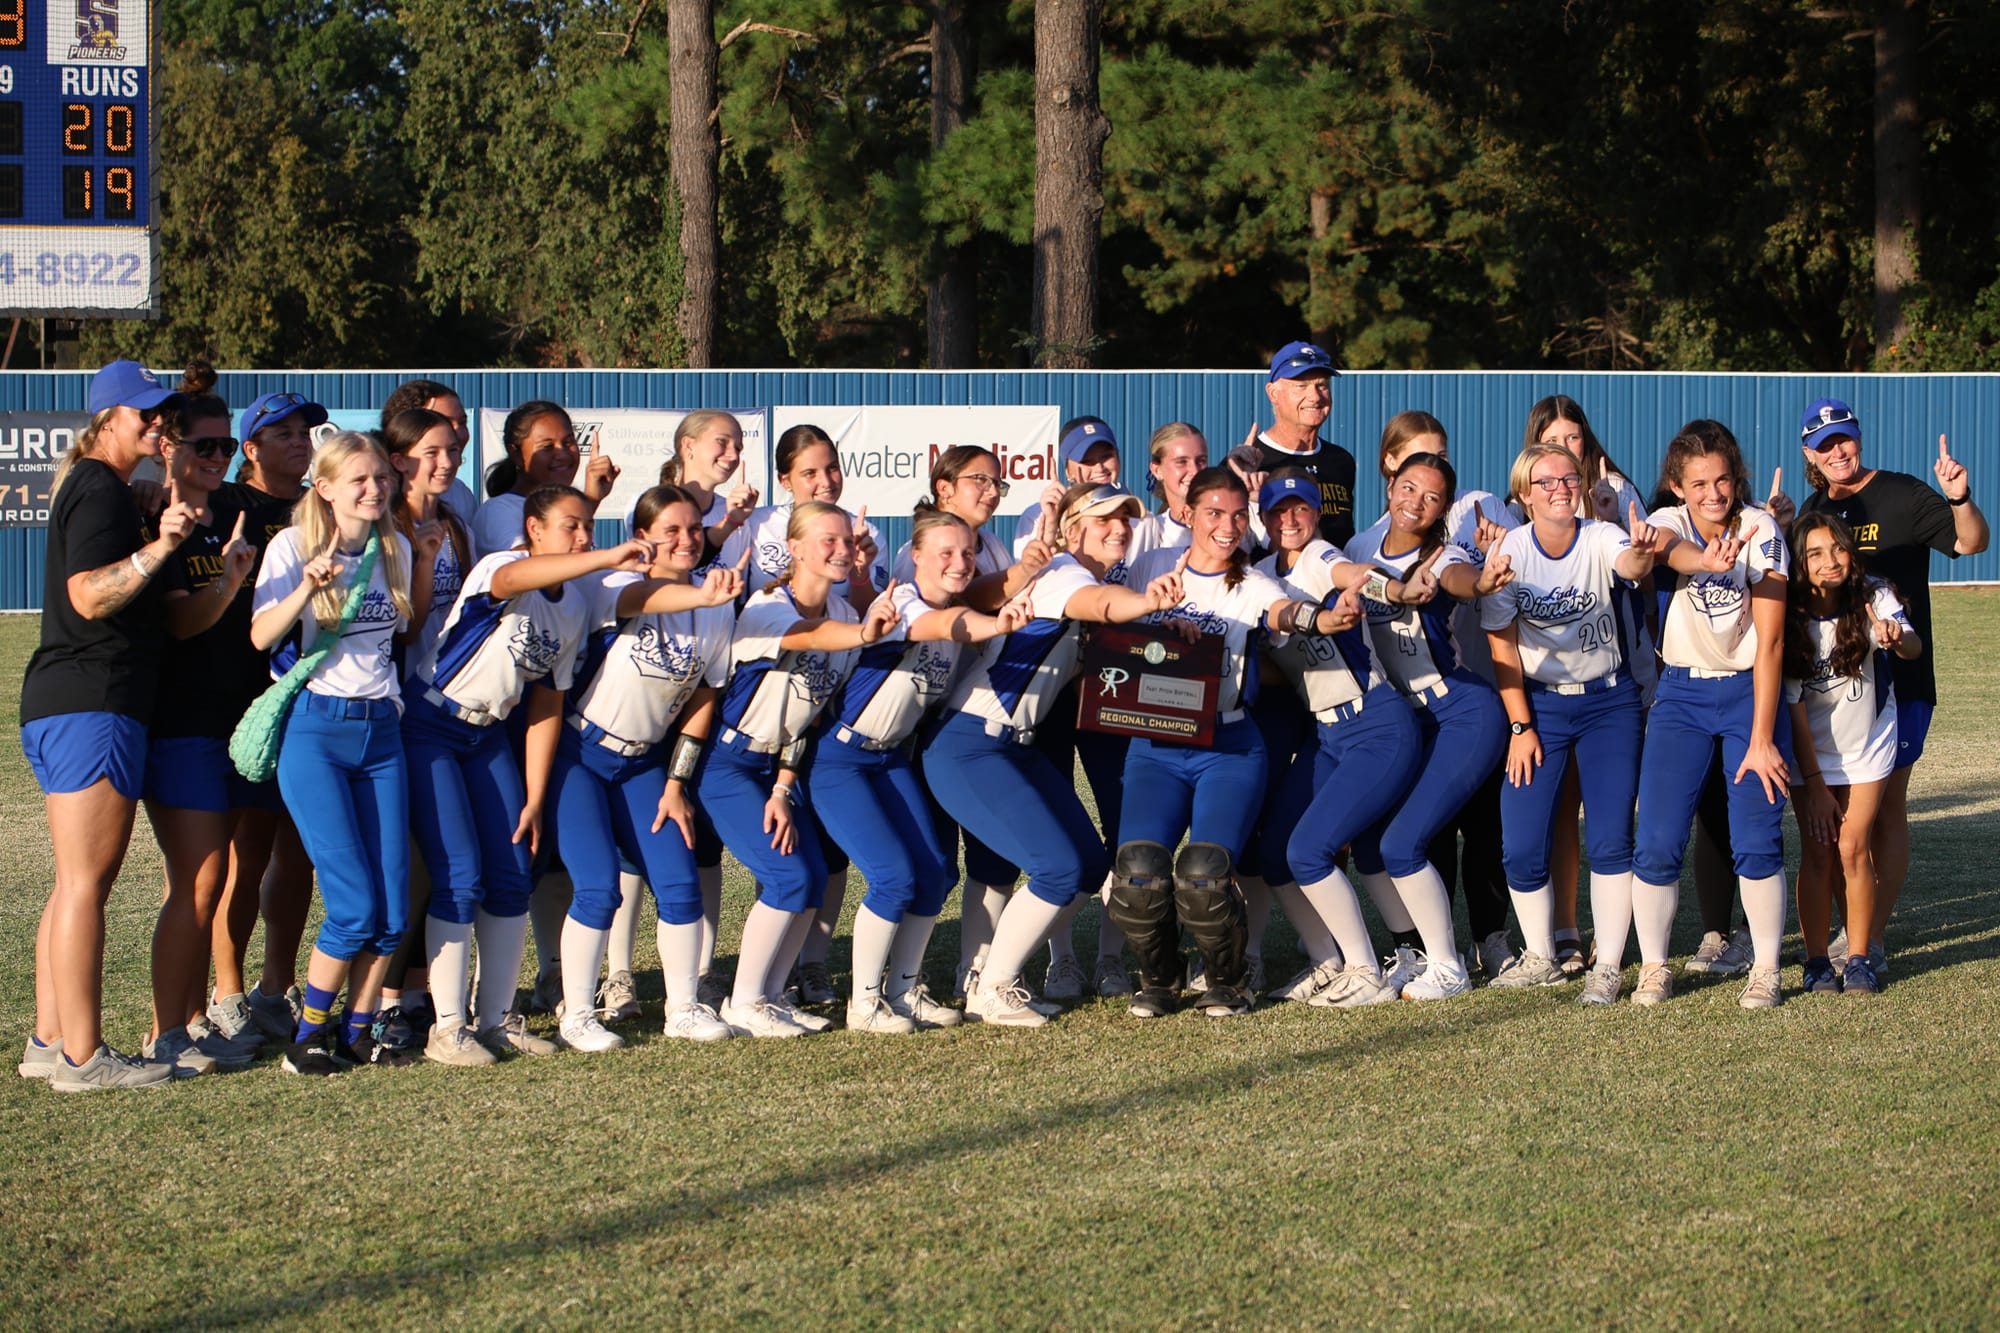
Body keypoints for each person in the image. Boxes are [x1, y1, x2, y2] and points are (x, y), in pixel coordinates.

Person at [405, 487, 657, 1066]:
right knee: (460, 876)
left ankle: (493, 1021)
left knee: (513, 868)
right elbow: (520, 579)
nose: (583, 536)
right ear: (534, 529)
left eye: (588, 526)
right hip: (432, 723)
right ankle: (448, 1028)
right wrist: (604, 558)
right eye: (570, 526)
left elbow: (546, 703)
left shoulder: (575, 602)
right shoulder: (501, 565)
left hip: (487, 735)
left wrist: (535, 796)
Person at [1109, 468, 1373, 1019]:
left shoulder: (1249, 583)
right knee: (1138, 872)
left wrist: (1326, 619)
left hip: (1227, 746)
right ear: (1187, 514)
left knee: (1204, 872)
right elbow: (1109, 618)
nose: (1227, 526)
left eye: (1236, 514)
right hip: (1155, 746)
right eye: (1214, 513)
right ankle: (1158, 976)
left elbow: (1286, 613)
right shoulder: (1151, 565)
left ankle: (1229, 978)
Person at [925, 483, 1181, 1026]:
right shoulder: (1066, 574)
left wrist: (1160, 624)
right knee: (1058, 868)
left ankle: (999, 974)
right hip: (972, 743)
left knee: (1088, 864)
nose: (1119, 528)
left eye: (1126, 520)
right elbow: (1102, 604)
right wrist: (1147, 602)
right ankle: (992, 987)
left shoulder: (1078, 576)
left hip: (1012, 747)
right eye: (1104, 518)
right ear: (1072, 529)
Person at [19, 360, 188, 1091]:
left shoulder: (101, 487)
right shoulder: (96, 486)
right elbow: (87, 596)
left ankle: (50, 1040)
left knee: (71, 883)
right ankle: (83, 1058)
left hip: (72, 700)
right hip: (93, 699)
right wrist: (159, 546)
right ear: (107, 418)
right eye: (144, 414)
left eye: (162, 415)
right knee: (86, 883)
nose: (158, 425)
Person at [1780, 398, 1988, 974]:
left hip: (1902, 677)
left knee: (1884, 810)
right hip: (1831, 691)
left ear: (1858, 438)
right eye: (1824, 446)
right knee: (1839, 823)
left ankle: (1862, 935)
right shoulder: (1812, 513)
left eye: (1843, 439)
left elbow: (1971, 544)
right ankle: (1847, 929)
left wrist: (1958, 496)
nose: (1837, 452)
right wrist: (1777, 524)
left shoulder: (1903, 492)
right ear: (1809, 455)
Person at [814, 507, 1025, 1032]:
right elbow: (943, 624)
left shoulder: (956, 606)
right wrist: (995, 622)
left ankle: (904, 992)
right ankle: (864, 1005)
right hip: (840, 758)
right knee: (892, 876)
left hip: (888, 758)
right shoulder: (903, 600)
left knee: (933, 873)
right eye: (946, 553)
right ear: (914, 557)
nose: (960, 562)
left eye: (968, 553)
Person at [552, 486, 746, 1045]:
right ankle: (578, 1014)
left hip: (645, 764)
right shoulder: (615, 584)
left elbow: (704, 699)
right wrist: (704, 597)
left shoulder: (714, 607)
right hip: (581, 755)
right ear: (644, 538)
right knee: (597, 888)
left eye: (693, 529)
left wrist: (677, 781)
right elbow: (645, 599)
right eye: (671, 531)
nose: (686, 540)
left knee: (680, 883)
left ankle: (683, 1007)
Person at [249, 432, 416, 1075]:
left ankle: (358, 1030)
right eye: (359, 481)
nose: (375, 490)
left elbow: (398, 637)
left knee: (393, 910)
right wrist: (308, 585)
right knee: (352, 905)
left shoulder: (395, 547)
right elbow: (262, 635)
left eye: (381, 479)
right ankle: (307, 1038)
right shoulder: (292, 546)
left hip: (382, 732)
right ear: (324, 488)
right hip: (317, 730)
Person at [701, 503, 899, 1037]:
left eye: (846, 541)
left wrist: (784, 788)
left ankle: (770, 995)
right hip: (727, 762)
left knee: (811, 880)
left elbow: (810, 716)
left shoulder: (846, 612)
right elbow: (807, 638)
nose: (840, 550)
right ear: (794, 547)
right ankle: (742, 1001)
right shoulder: (769, 603)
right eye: (827, 541)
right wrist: (861, 635)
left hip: (775, 767)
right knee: (786, 876)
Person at [1481, 442, 1669, 988]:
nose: (1562, 487)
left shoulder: (1599, 533)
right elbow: (1502, 644)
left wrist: (1642, 549)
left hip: (1608, 702)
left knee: (1611, 838)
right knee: (1518, 844)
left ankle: (1607, 965)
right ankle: (1542, 956)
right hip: (1539, 703)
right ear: (1524, 495)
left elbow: (1629, 563)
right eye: (1547, 482)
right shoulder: (1512, 552)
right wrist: (1519, 725)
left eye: (1570, 478)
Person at [1625, 422, 1791, 1009]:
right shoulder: (1670, 520)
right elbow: (1673, 551)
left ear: (1735, 476)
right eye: (1698, 483)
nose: (1712, 493)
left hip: (1749, 692)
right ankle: (1653, 968)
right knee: (1658, 838)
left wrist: (1764, 736)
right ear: (1678, 485)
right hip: (1682, 695)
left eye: (1722, 479)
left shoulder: (1760, 527)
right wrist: (1708, 561)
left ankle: (1766, 968)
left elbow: (1770, 643)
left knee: (1756, 836)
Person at [1343, 452, 1517, 1001]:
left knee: (1405, 843)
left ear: (1445, 508)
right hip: (1401, 720)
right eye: (1409, 487)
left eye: (1432, 496)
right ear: (1390, 484)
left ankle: (1451, 966)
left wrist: (1483, 579)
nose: (1415, 502)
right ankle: (1416, 953)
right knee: (1380, 839)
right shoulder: (1357, 551)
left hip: (1459, 712)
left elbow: (1459, 578)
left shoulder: (1444, 554)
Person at [1251, 474, 1430, 1008]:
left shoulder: (1318, 556)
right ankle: (1327, 962)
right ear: (1263, 518)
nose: (1290, 521)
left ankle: (1365, 971)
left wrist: (1393, 590)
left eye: (1300, 509)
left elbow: (1354, 573)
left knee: (1309, 851)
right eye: (1279, 511)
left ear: (1315, 515)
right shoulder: (1258, 576)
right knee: (1276, 856)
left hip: (1375, 724)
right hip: (1327, 734)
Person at [138, 393, 267, 1076]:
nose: (217, 458)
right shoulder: (155, 516)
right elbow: (185, 623)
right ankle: (168, 1031)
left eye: (224, 446)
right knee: (199, 878)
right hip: (180, 721)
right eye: (203, 446)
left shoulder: (232, 512)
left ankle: (188, 1020)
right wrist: (228, 578)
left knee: (208, 881)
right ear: (169, 447)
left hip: (234, 720)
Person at [1521, 395, 1657, 974]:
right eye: (1552, 438)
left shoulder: (1614, 492)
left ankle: (1610, 944)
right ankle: (1561, 934)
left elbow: (1635, 567)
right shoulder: (1521, 510)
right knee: (1551, 815)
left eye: (1574, 439)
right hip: (1544, 694)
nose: (1564, 449)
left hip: (1614, 681)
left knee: (1607, 818)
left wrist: (1623, 538)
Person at [221, 389, 330, 1043]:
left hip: (310, 702)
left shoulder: (323, 509)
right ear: (250, 447)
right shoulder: (233, 507)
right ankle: (227, 990)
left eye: (305, 429)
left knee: (297, 856)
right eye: (281, 430)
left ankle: (274, 986)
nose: (298, 439)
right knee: (245, 852)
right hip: (243, 701)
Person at [369, 405, 478, 1059]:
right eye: (431, 451)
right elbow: (400, 630)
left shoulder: (455, 524)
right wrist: (420, 559)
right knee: (403, 866)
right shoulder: (383, 527)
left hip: (449, 711)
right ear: (398, 456)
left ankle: (414, 999)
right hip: (397, 712)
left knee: (439, 867)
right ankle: (378, 1003)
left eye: (452, 450)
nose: (446, 460)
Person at [1784, 512, 1920, 997]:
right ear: (1800, 562)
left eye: (1837, 549)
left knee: (1851, 845)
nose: (1829, 561)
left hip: (1869, 744)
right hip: (1811, 751)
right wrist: (1816, 785)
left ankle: (1860, 956)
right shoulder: (1790, 610)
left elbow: (1912, 646)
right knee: (1817, 851)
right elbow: (1795, 707)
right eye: (1815, 553)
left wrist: (1895, 636)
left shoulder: (1873, 593)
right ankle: (1817, 960)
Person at [1233, 341, 1358, 548]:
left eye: (1322, 385)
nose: (1315, 397)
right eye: (1301, 386)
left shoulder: (1341, 460)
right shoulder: (1246, 465)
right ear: (1273, 393)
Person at [472, 400, 618, 555]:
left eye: (569, 442)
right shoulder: (499, 511)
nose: (562, 454)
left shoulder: (577, 513)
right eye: (547, 447)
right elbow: (531, 567)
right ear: (516, 453)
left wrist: (591, 500)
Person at [1012, 416, 1122, 560]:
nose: (1099, 468)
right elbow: (1024, 578)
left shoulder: (1139, 518)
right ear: (1068, 472)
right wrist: (1053, 526)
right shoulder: (1037, 517)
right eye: (1087, 461)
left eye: (1106, 457)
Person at [379, 378, 478, 532]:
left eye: (463, 422)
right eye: (442, 421)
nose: (458, 433)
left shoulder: (460, 494)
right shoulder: (377, 499)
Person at [1130, 422, 1206, 561]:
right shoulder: (1149, 532)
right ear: (1157, 470)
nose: (1195, 471)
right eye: (1181, 462)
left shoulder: (1230, 525)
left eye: (1201, 461)